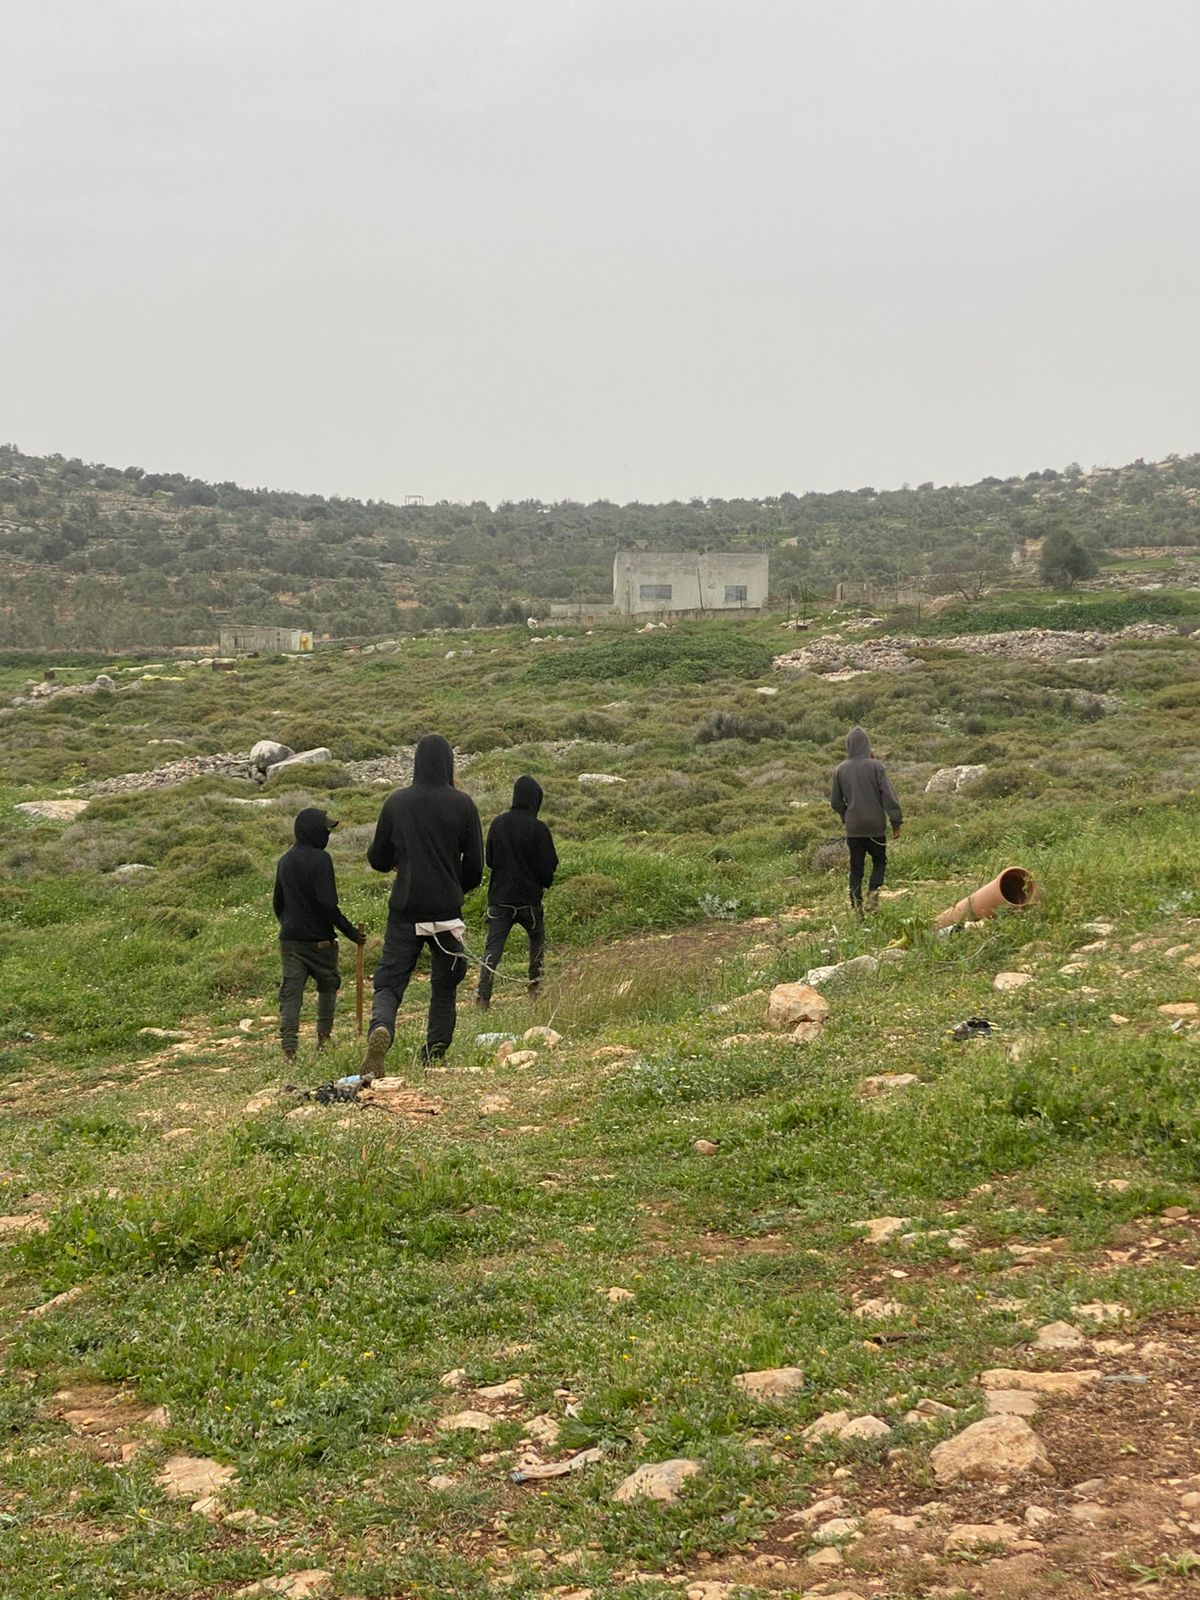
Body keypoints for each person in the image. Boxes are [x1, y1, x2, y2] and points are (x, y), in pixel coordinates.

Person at [361, 733, 483, 1067]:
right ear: (448, 763)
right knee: (445, 985)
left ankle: (382, 1027)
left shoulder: (396, 803)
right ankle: (435, 1053)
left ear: (416, 762)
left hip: (406, 908)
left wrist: (399, 862)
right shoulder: (464, 804)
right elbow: (475, 868)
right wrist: (453, 886)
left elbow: (377, 859)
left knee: (389, 982)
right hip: (447, 912)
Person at [273, 807, 365, 1061]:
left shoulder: (285, 860)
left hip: (291, 942)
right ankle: (323, 1039)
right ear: (313, 831)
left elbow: (278, 903)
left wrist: (290, 924)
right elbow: (328, 904)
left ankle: (289, 1047)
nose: (327, 834)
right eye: (325, 829)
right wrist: (350, 932)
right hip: (321, 942)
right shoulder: (321, 860)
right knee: (327, 986)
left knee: (291, 992)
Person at [476, 775, 559, 1010]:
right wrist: (543, 882)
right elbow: (549, 866)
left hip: (500, 899)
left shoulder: (498, 823)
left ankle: (483, 997)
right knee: (537, 941)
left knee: (493, 948)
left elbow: (490, 860)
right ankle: (535, 988)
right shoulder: (539, 828)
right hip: (528, 901)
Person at [830, 726, 903, 916]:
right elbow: (889, 797)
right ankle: (873, 894)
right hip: (875, 826)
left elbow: (835, 802)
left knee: (856, 868)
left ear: (848, 745)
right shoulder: (876, 766)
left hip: (853, 828)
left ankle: (857, 910)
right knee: (879, 861)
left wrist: (847, 815)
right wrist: (896, 822)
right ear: (867, 744)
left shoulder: (840, 769)